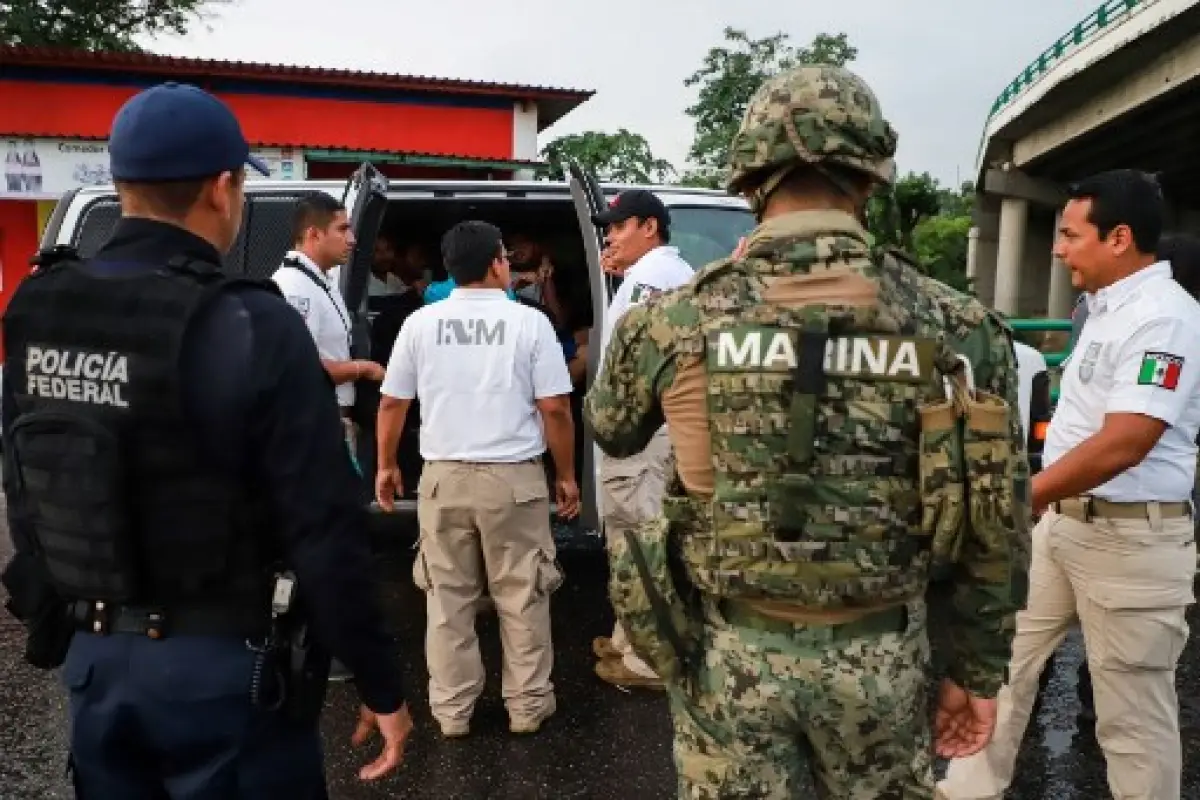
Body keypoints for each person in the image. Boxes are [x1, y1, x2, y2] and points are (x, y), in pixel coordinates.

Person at [585, 65, 1028, 797]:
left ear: (751, 179)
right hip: (883, 660)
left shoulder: (672, 320)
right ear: (870, 177)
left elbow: (613, 430)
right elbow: (995, 522)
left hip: (727, 657)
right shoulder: (960, 329)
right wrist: (976, 672)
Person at [0, 82, 412, 798]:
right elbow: (324, 529)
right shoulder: (251, 322)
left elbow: (24, 478)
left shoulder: (41, 305)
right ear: (224, 188)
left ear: (121, 182)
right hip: (222, 676)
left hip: (97, 666)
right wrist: (380, 681)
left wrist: (62, 616)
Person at [939, 170, 1200, 800]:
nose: (1058, 249)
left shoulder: (1164, 318)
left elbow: (1127, 439)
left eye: (1069, 235)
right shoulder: (1103, 311)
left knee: (1132, 718)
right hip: (1064, 526)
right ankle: (965, 791)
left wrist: (1024, 496)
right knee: (1000, 668)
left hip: (1131, 541)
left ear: (1118, 238)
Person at [375, 220, 580, 738]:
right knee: (523, 595)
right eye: (505, 258)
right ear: (495, 263)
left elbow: (394, 401)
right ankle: (528, 707)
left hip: (442, 479)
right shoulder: (528, 322)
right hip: (513, 481)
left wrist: (386, 464)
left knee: (447, 600)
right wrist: (567, 475)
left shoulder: (421, 323)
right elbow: (554, 407)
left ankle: (452, 712)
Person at [587, 189, 694, 691]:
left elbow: (640, 369)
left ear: (649, 227)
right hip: (649, 433)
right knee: (631, 541)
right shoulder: (652, 275)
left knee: (640, 542)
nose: (610, 235)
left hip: (643, 436)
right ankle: (630, 638)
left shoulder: (653, 278)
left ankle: (651, 659)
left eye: (619, 225)